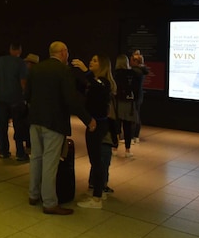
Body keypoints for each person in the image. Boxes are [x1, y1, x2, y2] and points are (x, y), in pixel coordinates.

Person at [25, 41, 95, 216]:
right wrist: (88, 120)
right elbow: (71, 99)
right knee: (50, 162)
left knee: (36, 158)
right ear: (63, 53)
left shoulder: (36, 69)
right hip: (54, 123)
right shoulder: (64, 71)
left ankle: (33, 195)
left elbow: (27, 95)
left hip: (35, 120)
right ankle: (49, 202)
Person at [71, 55, 116, 209]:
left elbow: (97, 86)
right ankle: (98, 190)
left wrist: (85, 71)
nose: (91, 62)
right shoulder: (95, 83)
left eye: (95, 60)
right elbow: (85, 88)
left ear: (102, 65)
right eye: (91, 60)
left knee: (96, 161)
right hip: (95, 124)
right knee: (96, 160)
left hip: (97, 126)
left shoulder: (104, 83)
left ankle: (97, 198)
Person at [0, 42, 30, 162]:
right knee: (18, 126)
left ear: (10, 49)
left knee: (2, 126)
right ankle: (20, 153)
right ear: (19, 50)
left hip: (1, 98)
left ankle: (3, 151)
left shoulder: (1, 60)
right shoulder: (21, 63)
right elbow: (23, 83)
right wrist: (26, 97)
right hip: (16, 99)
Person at [113, 54, 139, 158]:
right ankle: (127, 150)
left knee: (115, 127)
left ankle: (114, 147)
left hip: (117, 102)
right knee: (127, 127)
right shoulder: (132, 73)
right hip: (128, 103)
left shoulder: (116, 74)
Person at [131, 49, 150, 143]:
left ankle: (133, 136)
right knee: (137, 115)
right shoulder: (142, 71)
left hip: (135, 96)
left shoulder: (135, 72)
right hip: (139, 96)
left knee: (134, 116)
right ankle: (135, 136)